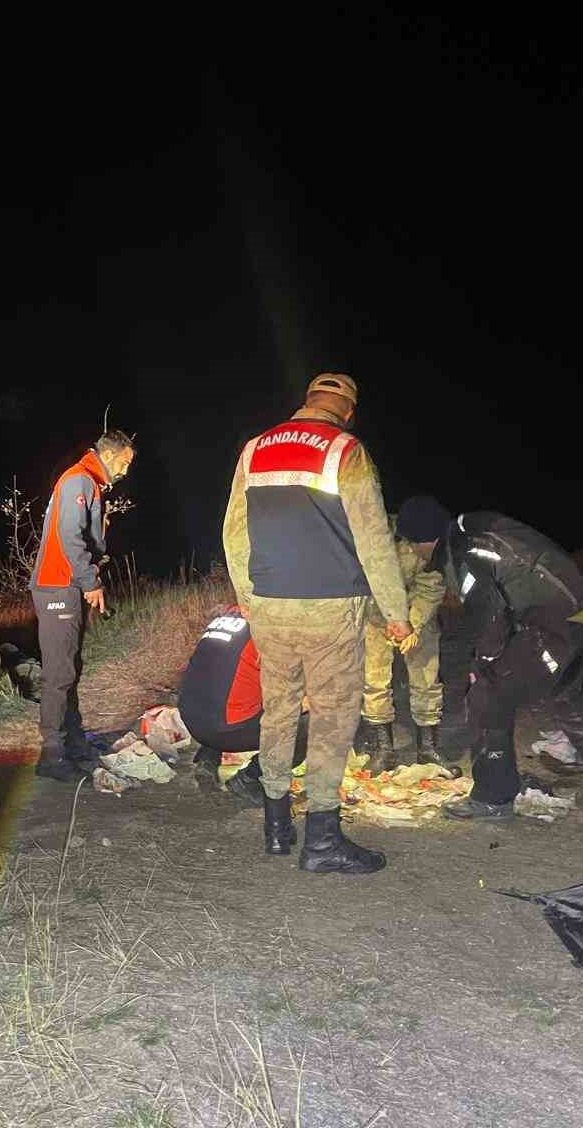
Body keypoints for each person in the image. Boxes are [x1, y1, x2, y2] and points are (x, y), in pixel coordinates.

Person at [222, 372, 412, 874]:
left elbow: (234, 535)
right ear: (347, 410)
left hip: (268, 605)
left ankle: (276, 827)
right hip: (329, 606)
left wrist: (248, 598)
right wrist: (396, 614)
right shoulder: (345, 450)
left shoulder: (255, 449)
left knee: (279, 711)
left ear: (305, 403)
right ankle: (323, 841)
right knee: (331, 718)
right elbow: (373, 539)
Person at [391, 498, 583, 821]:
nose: (413, 552)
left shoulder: (464, 550)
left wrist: (482, 665)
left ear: (424, 538)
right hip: (580, 611)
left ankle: (492, 797)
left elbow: (489, 616)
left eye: (412, 544)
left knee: (486, 697)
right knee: (567, 696)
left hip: (558, 622)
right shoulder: (470, 529)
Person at [28, 427, 136, 781]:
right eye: (124, 462)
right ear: (108, 455)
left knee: (70, 667)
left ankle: (74, 742)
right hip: (58, 585)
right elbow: (69, 535)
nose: (125, 470)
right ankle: (52, 756)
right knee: (59, 674)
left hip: (66, 585)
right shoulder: (79, 480)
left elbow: (84, 535)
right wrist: (91, 582)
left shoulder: (87, 482)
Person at [177, 604, 308, 805]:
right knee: (312, 721)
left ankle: (208, 756)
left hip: (191, 718)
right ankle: (249, 778)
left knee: (229, 680)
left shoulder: (231, 612)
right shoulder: (279, 630)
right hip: (226, 730)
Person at [356, 506, 448, 772]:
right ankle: (382, 749)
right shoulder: (371, 536)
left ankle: (428, 749)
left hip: (416, 615)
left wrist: (413, 625)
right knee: (374, 681)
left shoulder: (430, 538)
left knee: (427, 678)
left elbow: (431, 586)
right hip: (375, 618)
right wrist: (386, 619)